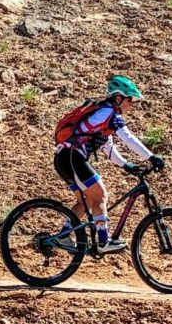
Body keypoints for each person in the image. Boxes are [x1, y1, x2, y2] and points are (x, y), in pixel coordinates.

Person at [52, 75, 161, 253]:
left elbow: (108, 148)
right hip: (73, 157)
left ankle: (64, 235)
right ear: (118, 98)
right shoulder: (109, 113)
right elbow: (128, 138)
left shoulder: (102, 117)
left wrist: (127, 166)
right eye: (129, 100)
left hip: (63, 159)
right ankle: (103, 242)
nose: (130, 105)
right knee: (101, 196)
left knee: (86, 201)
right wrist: (151, 157)